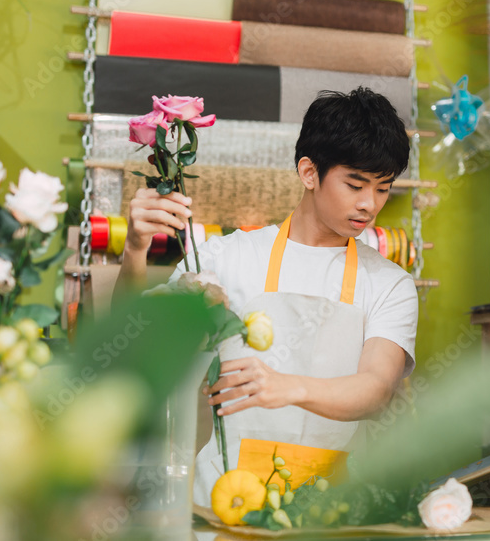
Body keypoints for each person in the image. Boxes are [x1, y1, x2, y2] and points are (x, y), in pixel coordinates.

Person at [115, 87, 419, 504]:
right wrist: (134, 249)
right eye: (355, 184)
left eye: (383, 188)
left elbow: (376, 388)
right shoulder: (226, 257)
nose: (369, 204)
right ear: (309, 172)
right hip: (226, 504)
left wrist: (288, 387)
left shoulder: (390, 284)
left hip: (332, 510)